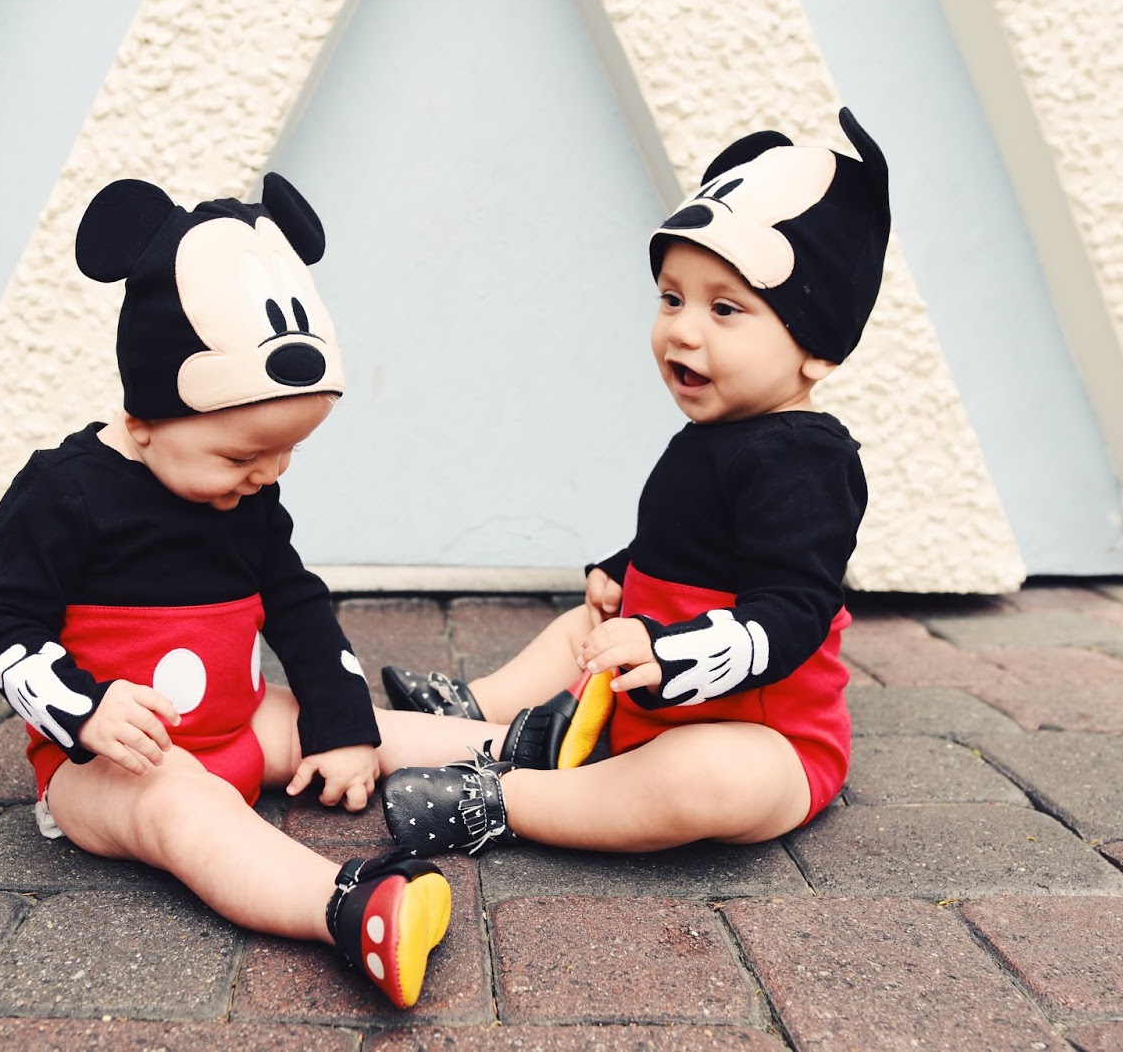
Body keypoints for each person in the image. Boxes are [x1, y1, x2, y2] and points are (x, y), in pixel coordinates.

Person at [0, 175, 453, 1009]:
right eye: (241, 457)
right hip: (116, 762)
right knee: (188, 812)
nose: (266, 476)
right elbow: (5, 622)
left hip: (240, 720)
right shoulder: (64, 491)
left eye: (286, 454)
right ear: (144, 419)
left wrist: (342, 730)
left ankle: (534, 752)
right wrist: (83, 709)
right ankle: (350, 909)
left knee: (375, 728)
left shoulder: (249, 497)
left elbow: (298, 606)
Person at [378, 108, 889, 857]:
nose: (682, 328)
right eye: (671, 299)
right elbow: (685, 539)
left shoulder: (809, 459)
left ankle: (506, 799)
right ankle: (480, 710)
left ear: (818, 347)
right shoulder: (714, 433)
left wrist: (677, 652)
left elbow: (795, 608)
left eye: (724, 308)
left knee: (709, 777)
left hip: (758, 732)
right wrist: (623, 570)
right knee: (580, 631)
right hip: (643, 692)